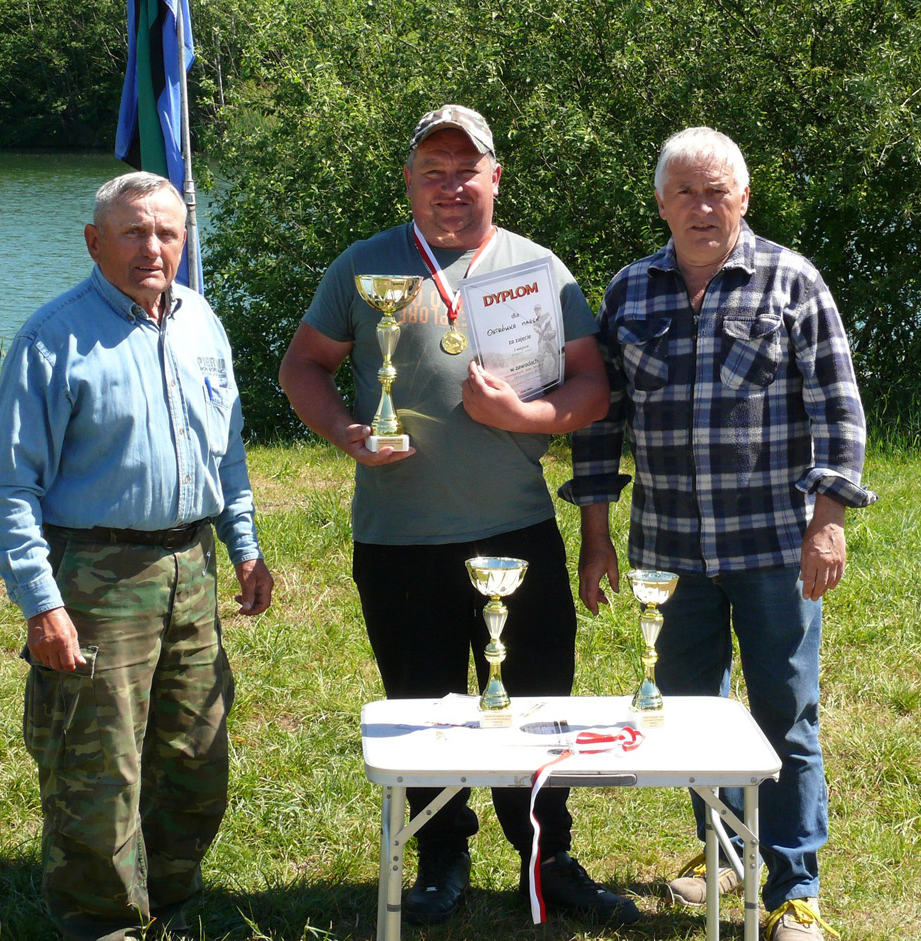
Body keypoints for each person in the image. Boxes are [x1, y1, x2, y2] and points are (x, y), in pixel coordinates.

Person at [278, 104, 639, 927]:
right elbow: (301, 365)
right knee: (426, 710)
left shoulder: (540, 269)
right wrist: (345, 431)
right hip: (398, 538)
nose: (450, 187)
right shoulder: (365, 265)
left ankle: (548, 862)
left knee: (538, 706)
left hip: (517, 533)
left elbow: (592, 385)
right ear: (408, 180)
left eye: (465, 170)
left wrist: (531, 419)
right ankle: (442, 858)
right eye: (432, 172)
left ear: (495, 177)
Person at [560, 127, 876, 941]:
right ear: (662, 203)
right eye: (686, 193)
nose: (703, 208)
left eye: (718, 192)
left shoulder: (792, 282)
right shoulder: (630, 292)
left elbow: (839, 408)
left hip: (774, 545)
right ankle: (725, 849)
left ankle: (795, 889)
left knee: (786, 715)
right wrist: (596, 534)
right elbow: (602, 424)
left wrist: (830, 520)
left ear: (745, 198)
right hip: (667, 552)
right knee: (693, 716)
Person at [0, 171, 274, 941]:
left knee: (196, 756)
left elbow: (228, 453)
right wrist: (43, 604)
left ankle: (168, 904)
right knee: (96, 768)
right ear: (94, 241)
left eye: (168, 233)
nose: (153, 247)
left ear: (185, 240)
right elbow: (10, 489)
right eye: (134, 231)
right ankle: (101, 922)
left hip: (193, 566)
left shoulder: (203, 323)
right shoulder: (53, 339)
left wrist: (245, 548)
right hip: (97, 575)